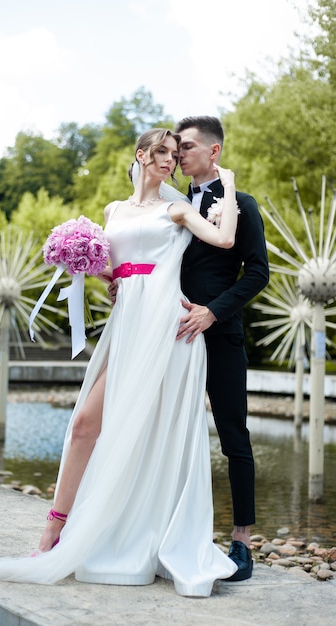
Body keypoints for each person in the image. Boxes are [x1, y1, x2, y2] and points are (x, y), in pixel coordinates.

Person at [0, 128, 239, 597]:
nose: (170, 161)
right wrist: (87, 264)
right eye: (163, 153)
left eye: (175, 154)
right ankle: (56, 528)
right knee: (86, 423)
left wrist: (226, 182)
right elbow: (115, 267)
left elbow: (226, 239)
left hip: (165, 330)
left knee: (137, 431)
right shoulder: (113, 211)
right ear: (141, 155)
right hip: (127, 323)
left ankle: (123, 536)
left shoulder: (178, 209)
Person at [174, 116, 269, 581]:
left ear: (213, 152)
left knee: (234, 436)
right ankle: (172, 531)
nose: (178, 154)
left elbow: (257, 273)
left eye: (187, 146)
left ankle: (242, 541)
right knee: (168, 432)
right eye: (176, 147)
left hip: (219, 333)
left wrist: (213, 311)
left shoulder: (242, 205)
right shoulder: (167, 204)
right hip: (169, 335)